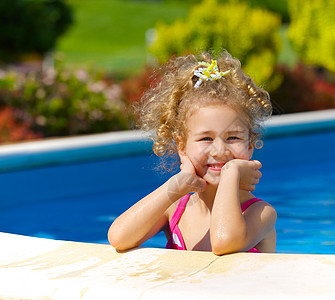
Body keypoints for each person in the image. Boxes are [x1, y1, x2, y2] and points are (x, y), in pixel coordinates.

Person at [108, 50, 277, 255]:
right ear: (181, 146)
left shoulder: (260, 213)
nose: (220, 151)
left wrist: (231, 172)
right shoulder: (176, 210)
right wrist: (176, 186)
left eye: (233, 138)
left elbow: (224, 243)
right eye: (206, 138)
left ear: (250, 146)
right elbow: (119, 237)